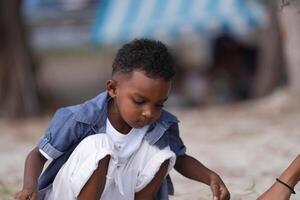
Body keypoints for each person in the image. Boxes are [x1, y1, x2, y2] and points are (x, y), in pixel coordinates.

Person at [15, 39, 230, 200]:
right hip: (70, 194)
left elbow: (180, 159)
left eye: (159, 104)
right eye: (139, 101)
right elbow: (37, 155)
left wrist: (209, 177)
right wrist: (29, 186)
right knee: (100, 144)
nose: (149, 112)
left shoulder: (162, 125)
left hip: (117, 193)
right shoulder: (79, 118)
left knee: (164, 153)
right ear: (112, 89)